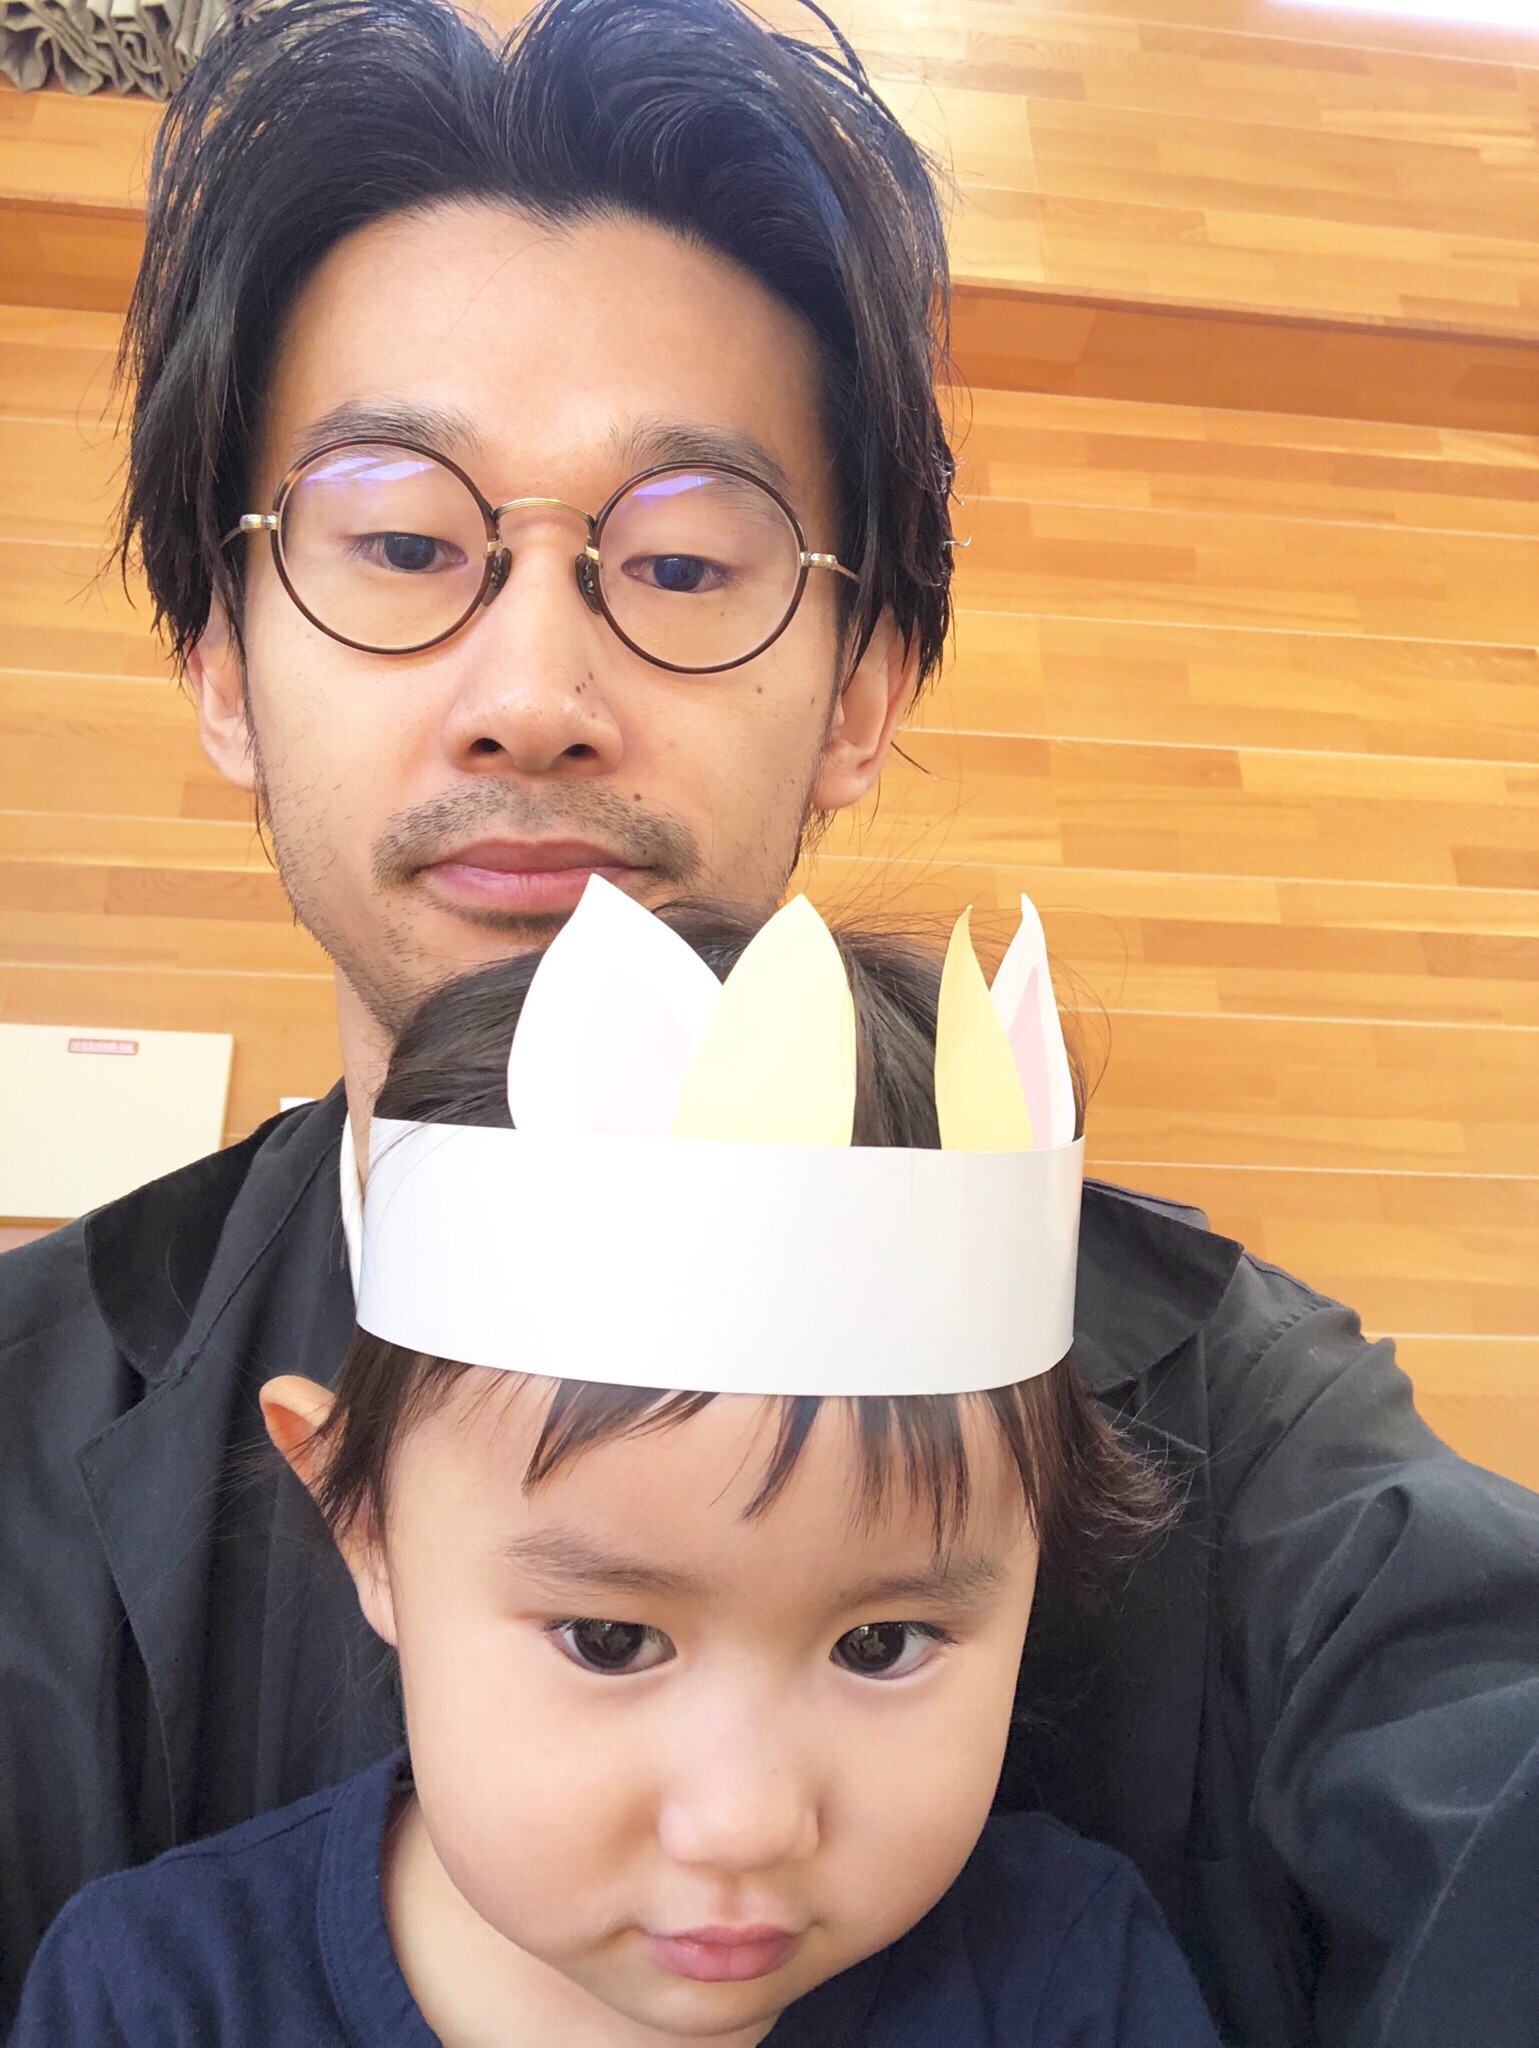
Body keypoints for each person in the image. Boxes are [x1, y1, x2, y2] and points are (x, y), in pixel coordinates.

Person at [1, 0, 1536, 2041]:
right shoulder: (25, 1440)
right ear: (218, 658)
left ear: (861, 691)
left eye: (680, 559)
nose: (531, 693)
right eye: (400, 542)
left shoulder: (1242, 1431)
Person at [11, 887, 1224, 2047]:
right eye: (610, 1638)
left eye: (880, 1642)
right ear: (364, 1523)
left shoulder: (1076, 1979)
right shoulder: (153, 1997)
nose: (744, 1822)